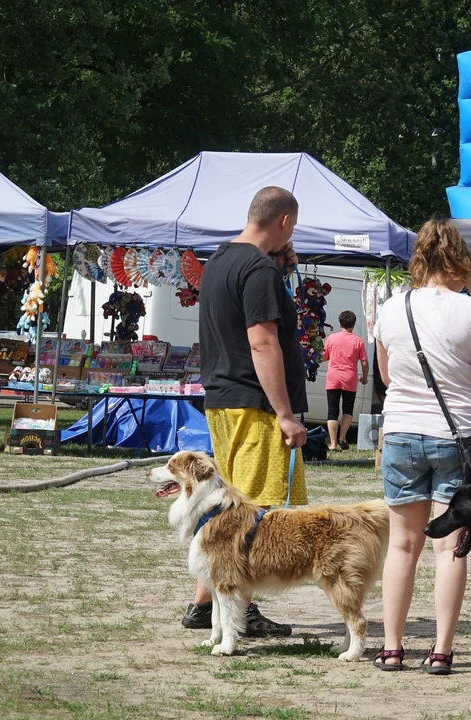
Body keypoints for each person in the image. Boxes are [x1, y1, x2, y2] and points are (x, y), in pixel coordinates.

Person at [371, 218, 471, 672]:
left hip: (402, 430)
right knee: (450, 548)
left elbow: (388, 378)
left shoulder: (391, 308)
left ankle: (391, 647)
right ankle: (442, 651)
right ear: (459, 260)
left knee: (401, 546)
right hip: (458, 435)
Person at [181, 186, 309, 638]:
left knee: (226, 506)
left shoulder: (219, 261)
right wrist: (287, 414)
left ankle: (204, 604)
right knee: (253, 512)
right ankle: (240, 607)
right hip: (254, 405)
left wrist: (280, 265)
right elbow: (261, 340)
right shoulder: (257, 269)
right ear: (285, 222)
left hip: (221, 398)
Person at [323, 309, 368, 451]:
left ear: (339, 323)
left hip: (333, 377)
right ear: (353, 325)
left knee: (332, 410)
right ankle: (343, 436)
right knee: (347, 409)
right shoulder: (358, 341)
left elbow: (324, 357)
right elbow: (365, 363)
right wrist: (365, 377)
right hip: (350, 378)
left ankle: (333, 443)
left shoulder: (332, 338)